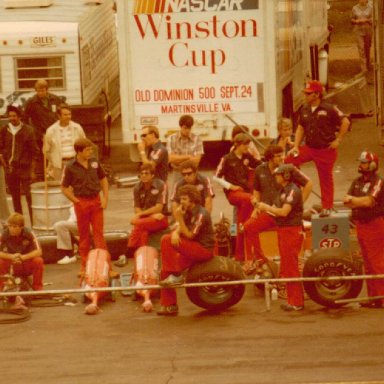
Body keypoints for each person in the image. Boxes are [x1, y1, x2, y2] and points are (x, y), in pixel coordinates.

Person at [243, 145, 312, 274]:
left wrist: (298, 203)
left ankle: (291, 268)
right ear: (270, 157)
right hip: (269, 213)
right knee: (248, 227)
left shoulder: (289, 169)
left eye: (283, 154)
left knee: (287, 254)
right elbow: (256, 191)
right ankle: (260, 259)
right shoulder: (259, 170)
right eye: (279, 155)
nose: (283, 157)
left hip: (286, 216)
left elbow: (308, 183)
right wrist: (256, 206)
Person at [286, 80, 350, 217]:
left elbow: (345, 121)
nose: (305, 96)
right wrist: (296, 146)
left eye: (308, 93)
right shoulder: (304, 109)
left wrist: (338, 139)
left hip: (325, 150)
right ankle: (294, 194)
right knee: (288, 160)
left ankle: (327, 206)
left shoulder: (330, 108)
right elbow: (300, 128)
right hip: (309, 147)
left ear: (316, 94)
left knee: (325, 178)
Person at [157, 185, 214, 316]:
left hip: (203, 250)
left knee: (166, 239)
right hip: (191, 248)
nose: (180, 201)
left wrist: (179, 219)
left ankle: (176, 276)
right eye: (180, 198)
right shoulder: (186, 210)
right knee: (165, 272)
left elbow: (189, 235)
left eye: (184, 199)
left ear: (192, 200)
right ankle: (170, 306)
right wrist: (176, 232)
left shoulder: (202, 214)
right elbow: (180, 229)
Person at [257, 164, 304, 311]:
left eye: (278, 174)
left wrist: (266, 207)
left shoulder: (292, 191)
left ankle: (296, 302)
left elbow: (283, 212)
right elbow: (276, 211)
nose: (276, 176)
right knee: (287, 266)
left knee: (291, 267)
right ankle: (292, 300)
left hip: (291, 230)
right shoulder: (283, 190)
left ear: (287, 176)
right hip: (284, 230)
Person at [60, 138, 109, 274]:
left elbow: (103, 179)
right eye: (87, 150)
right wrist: (76, 201)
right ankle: (84, 267)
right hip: (81, 202)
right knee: (84, 235)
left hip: (96, 200)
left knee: (99, 234)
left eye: (91, 149)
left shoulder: (94, 162)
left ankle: (107, 266)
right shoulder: (70, 166)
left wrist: (105, 198)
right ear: (79, 151)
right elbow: (63, 187)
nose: (90, 152)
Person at [343, 151, 384, 309]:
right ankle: (373, 297)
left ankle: (382, 297)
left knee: (377, 263)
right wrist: (357, 201)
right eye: (360, 162)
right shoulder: (357, 181)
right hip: (361, 225)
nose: (360, 165)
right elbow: (347, 201)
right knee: (367, 263)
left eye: (364, 162)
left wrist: (355, 201)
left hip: (375, 224)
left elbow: (368, 202)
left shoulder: (378, 182)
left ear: (372, 165)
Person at [215, 133, 261, 261]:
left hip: (246, 195)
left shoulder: (247, 156)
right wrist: (230, 187)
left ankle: (241, 255)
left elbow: (260, 165)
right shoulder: (227, 158)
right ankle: (238, 250)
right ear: (238, 145)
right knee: (239, 222)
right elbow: (216, 176)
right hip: (235, 194)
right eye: (246, 144)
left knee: (242, 224)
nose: (248, 147)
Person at [0, 105, 39, 222]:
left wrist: (32, 171)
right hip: (11, 168)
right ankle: (19, 223)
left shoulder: (28, 130)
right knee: (15, 197)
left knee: (29, 195)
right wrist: (4, 162)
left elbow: (35, 152)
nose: (12, 118)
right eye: (10, 116)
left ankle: (34, 222)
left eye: (14, 116)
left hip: (25, 168)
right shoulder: (4, 130)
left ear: (19, 116)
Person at [125, 163, 168, 259]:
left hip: (161, 218)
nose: (143, 175)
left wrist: (141, 214)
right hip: (147, 220)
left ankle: (128, 252)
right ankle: (143, 253)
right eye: (142, 173)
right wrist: (147, 215)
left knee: (138, 224)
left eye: (146, 173)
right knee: (142, 230)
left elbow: (159, 208)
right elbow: (137, 208)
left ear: (152, 175)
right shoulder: (137, 187)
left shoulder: (161, 185)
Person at [23, 79, 63, 180]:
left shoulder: (55, 99)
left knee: (56, 153)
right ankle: (45, 176)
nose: (40, 92)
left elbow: (63, 112)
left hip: (55, 132)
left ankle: (57, 175)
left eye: (43, 90)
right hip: (40, 134)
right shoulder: (31, 102)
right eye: (38, 90)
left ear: (47, 90)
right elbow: (25, 118)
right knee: (44, 155)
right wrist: (33, 131)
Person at [0, 212, 44, 291]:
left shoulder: (29, 233)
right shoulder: (4, 234)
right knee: (0, 262)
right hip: (12, 263)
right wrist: (11, 257)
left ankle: (37, 288)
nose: (11, 229)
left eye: (15, 226)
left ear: (21, 227)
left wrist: (23, 257)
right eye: (10, 226)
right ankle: (3, 287)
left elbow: (39, 251)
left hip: (25, 262)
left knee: (38, 261)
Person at [43, 104, 86, 180]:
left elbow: (85, 144)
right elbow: (46, 151)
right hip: (59, 165)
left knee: (77, 187)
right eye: (65, 115)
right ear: (59, 116)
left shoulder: (77, 127)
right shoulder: (51, 130)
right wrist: (54, 161)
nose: (68, 116)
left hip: (76, 163)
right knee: (61, 188)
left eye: (69, 114)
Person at [351, 0, 373, 73]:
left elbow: (373, 19)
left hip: (368, 30)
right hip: (358, 30)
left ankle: (367, 65)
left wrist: (366, 20)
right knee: (361, 48)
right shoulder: (354, 8)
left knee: (367, 48)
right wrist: (356, 21)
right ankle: (363, 69)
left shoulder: (370, 8)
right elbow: (352, 19)